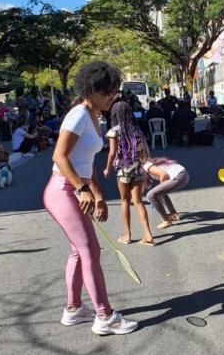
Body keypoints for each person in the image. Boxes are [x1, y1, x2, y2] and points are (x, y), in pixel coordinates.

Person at [44, 61, 138, 336]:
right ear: (91, 90)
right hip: (62, 191)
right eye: (107, 92)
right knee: (90, 251)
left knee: (78, 250)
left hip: (75, 190)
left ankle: (73, 310)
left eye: (114, 92)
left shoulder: (95, 115)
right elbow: (58, 156)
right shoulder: (79, 115)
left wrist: (97, 195)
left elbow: (87, 163)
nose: (112, 97)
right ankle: (105, 316)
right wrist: (81, 189)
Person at [104, 101, 154, 246]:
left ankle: (127, 234)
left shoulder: (114, 131)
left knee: (125, 201)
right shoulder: (137, 130)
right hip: (139, 169)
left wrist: (107, 168)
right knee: (138, 201)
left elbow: (112, 152)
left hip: (123, 169)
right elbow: (145, 151)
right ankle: (147, 234)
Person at [142, 158, 190, 229]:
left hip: (179, 176)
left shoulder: (146, 166)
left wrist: (161, 187)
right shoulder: (148, 166)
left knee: (151, 195)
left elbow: (163, 175)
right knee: (159, 193)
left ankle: (166, 220)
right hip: (183, 175)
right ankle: (173, 214)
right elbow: (143, 184)